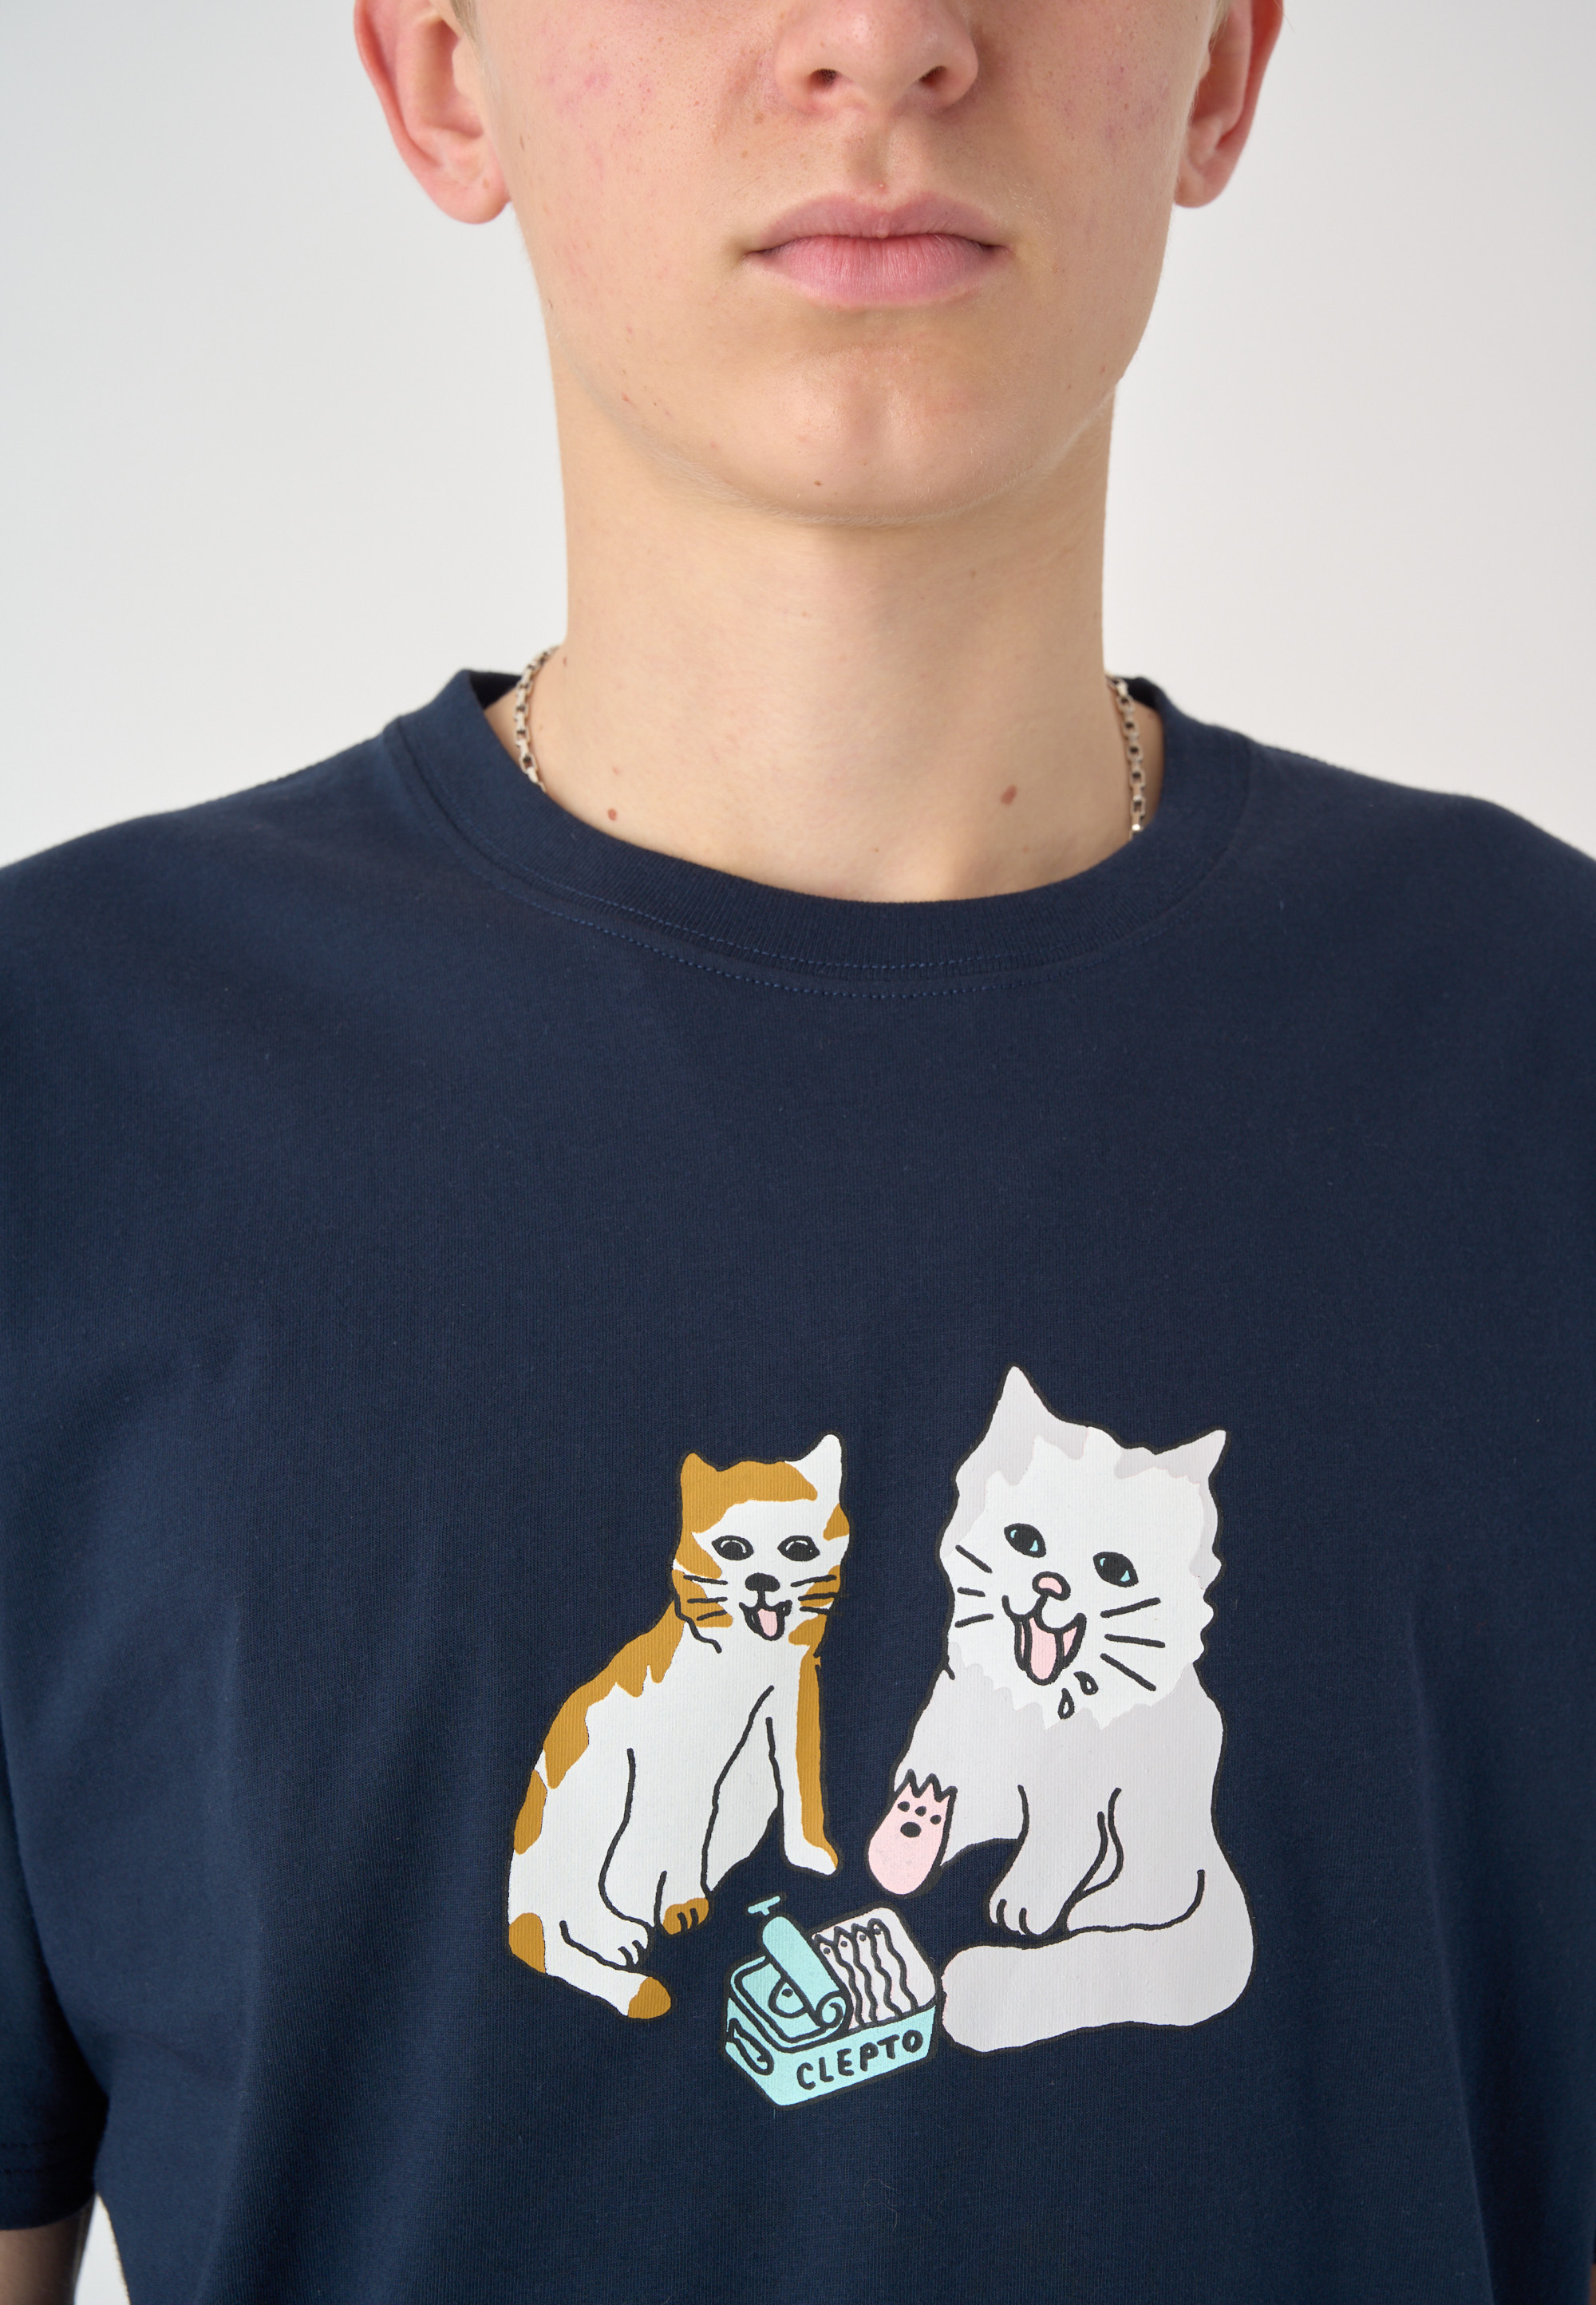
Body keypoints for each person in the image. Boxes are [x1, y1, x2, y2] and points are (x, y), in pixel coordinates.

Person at [2, 0, 1593, 2297]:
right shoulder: (65, 1090)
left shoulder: (1546, 1060)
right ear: (444, 70)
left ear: (1224, 67)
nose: (885, 36)